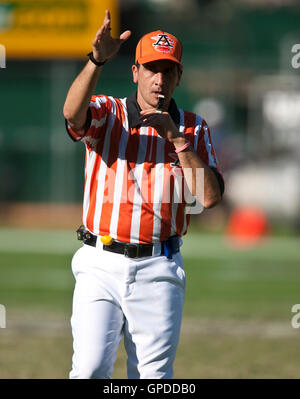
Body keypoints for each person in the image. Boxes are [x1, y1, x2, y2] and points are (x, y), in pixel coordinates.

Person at [63, 10, 224, 379]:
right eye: (152, 69)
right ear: (135, 72)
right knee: (88, 370)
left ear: (179, 76)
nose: (159, 79)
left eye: (168, 70)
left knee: (152, 378)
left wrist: (178, 140)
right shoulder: (110, 113)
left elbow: (210, 198)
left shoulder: (194, 129)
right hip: (100, 261)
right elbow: (73, 116)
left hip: (159, 265)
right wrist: (96, 61)